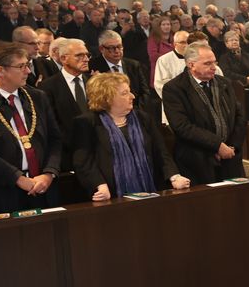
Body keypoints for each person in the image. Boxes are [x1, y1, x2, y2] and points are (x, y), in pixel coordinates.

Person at [0, 42, 62, 214]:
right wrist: (18, 178)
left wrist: (49, 173)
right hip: (2, 192)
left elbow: (55, 140)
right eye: (21, 66)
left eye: (27, 65)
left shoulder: (38, 97)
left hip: (43, 187)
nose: (28, 71)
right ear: (0, 70)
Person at [71, 72, 189, 200]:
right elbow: (84, 161)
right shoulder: (87, 123)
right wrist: (100, 185)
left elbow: (161, 152)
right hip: (109, 194)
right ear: (107, 98)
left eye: (130, 91)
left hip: (150, 190)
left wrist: (174, 176)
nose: (132, 96)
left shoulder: (143, 118)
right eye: (124, 93)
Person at [162, 41, 245, 185]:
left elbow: (239, 116)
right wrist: (217, 145)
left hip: (230, 158)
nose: (214, 67)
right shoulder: (174, 88)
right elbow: (182, 126)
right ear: (191, 65)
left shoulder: (224, 83)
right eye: (207, 63)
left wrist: (232, 146)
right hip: (198, 161)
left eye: (214, 62)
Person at [39, 37, 92, 171]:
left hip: (96, 156)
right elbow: (51, 124)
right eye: (79, 55)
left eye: (87, 55)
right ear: (63, 59)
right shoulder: (47, 87)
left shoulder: (94, 83)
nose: (86, 59)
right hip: (66, 158)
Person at [90, 30, 148, 106]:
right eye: (111, 48)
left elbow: (145, 93)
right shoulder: (92, 66)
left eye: (119, 46)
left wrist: (134, 110)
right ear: (101, 49)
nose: (117, 51)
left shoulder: (134, 65)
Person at [147, 16, 174, 85]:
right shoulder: (153, 39)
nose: (166, 26)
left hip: (174, 70)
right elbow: (153, 56)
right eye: (163, 25)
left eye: (168, 24)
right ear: (159, 26)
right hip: (160, 71)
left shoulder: (175, 37)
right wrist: (170, 58)